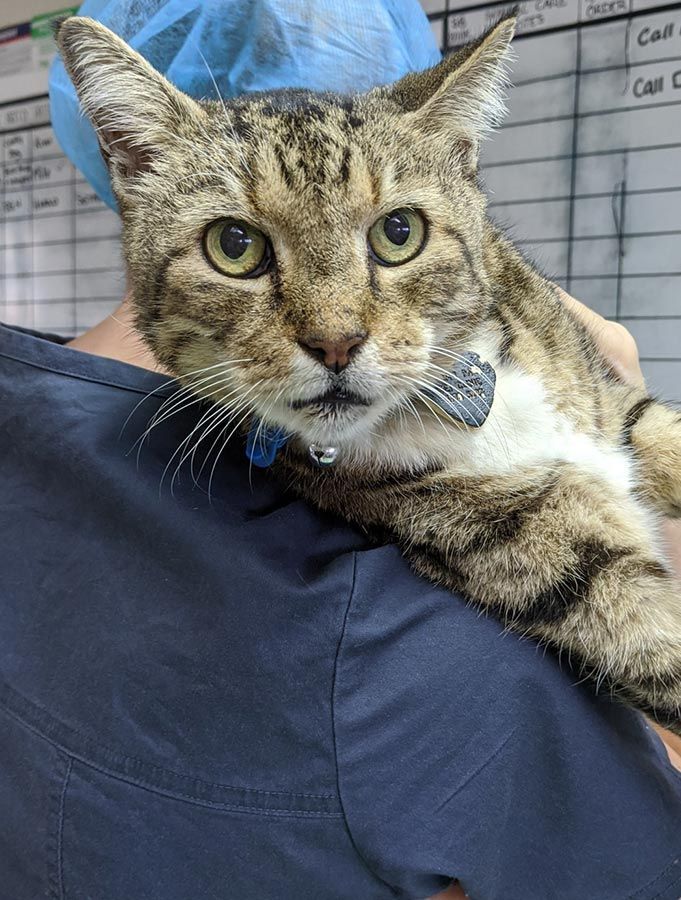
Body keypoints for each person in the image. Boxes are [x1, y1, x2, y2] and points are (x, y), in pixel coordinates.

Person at [1, 2, 681, 898]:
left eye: (394, 234)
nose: (332, 330)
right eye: (237, 244)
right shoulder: (422, 664)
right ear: (132, 164)